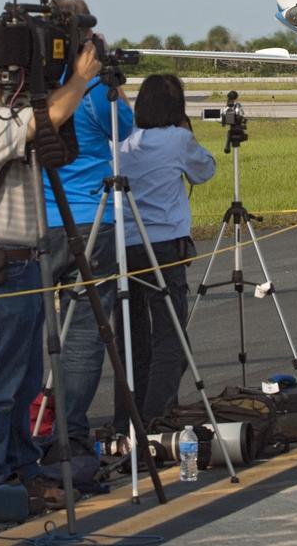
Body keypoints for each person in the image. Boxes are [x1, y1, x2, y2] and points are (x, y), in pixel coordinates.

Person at [0, 31, 98, 512]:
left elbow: (46, 127)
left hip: (20, 262)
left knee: (26, 376)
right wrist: (78, 78)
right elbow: (48, 117)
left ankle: (20, 467)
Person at [42, 0, 133, 452]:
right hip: (91, 218)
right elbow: (124, 128)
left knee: (34, 327)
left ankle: (34, 422)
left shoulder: (32, 80)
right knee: (84, 332)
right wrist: (106, 76)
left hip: (38, 218)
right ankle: (70, 430)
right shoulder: (93, 87)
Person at [113, 74, 215, 430]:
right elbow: (205, 171)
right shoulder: (178, 138)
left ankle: (127, 416)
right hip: (165, 245)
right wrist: (188, 131)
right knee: (170, 336)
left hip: (124, 245)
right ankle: (156, 416)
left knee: (130, 337)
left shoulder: (123, 140)